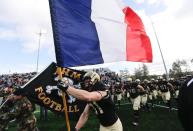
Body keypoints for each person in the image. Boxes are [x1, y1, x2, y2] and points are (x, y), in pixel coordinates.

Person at [57, 71, 123, 131]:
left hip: (115, 126)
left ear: (94, 79)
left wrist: (66, 87)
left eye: (87, 80)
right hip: (103, 126)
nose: (86, 82)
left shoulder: (103, 91)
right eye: (85, 80)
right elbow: (85, 114)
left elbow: (88, 97)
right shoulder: (91, 93)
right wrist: (76, 129)